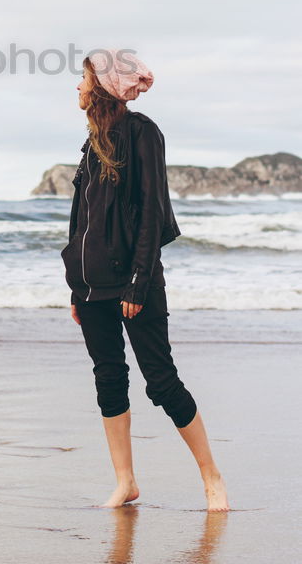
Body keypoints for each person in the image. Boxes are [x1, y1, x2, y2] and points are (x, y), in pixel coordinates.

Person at [61, 48, 229, 512]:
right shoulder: (91, 142)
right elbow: (81, 221)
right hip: (92, 286)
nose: (77, 86)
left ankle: (212, 477)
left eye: (84, 78)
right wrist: (77, 286)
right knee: (108, 378)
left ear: (105, 85)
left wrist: (138, 282)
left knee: (161, 382)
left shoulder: (142, 132)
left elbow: (153, 211)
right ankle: (125, 482)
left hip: (134, 283)